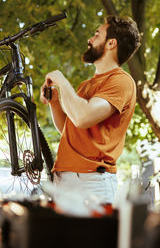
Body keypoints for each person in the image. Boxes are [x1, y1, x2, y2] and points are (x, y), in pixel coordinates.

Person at [40, 15, 141, 206]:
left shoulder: (121, 81)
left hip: (91, 183)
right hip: (64, 179)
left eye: (97, 35)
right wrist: (55, 103)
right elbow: (70, 131)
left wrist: (61, 80)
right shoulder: (86, 85)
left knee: (89, 236)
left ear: (111, 43)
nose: (90, 39)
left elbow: (82, 117)